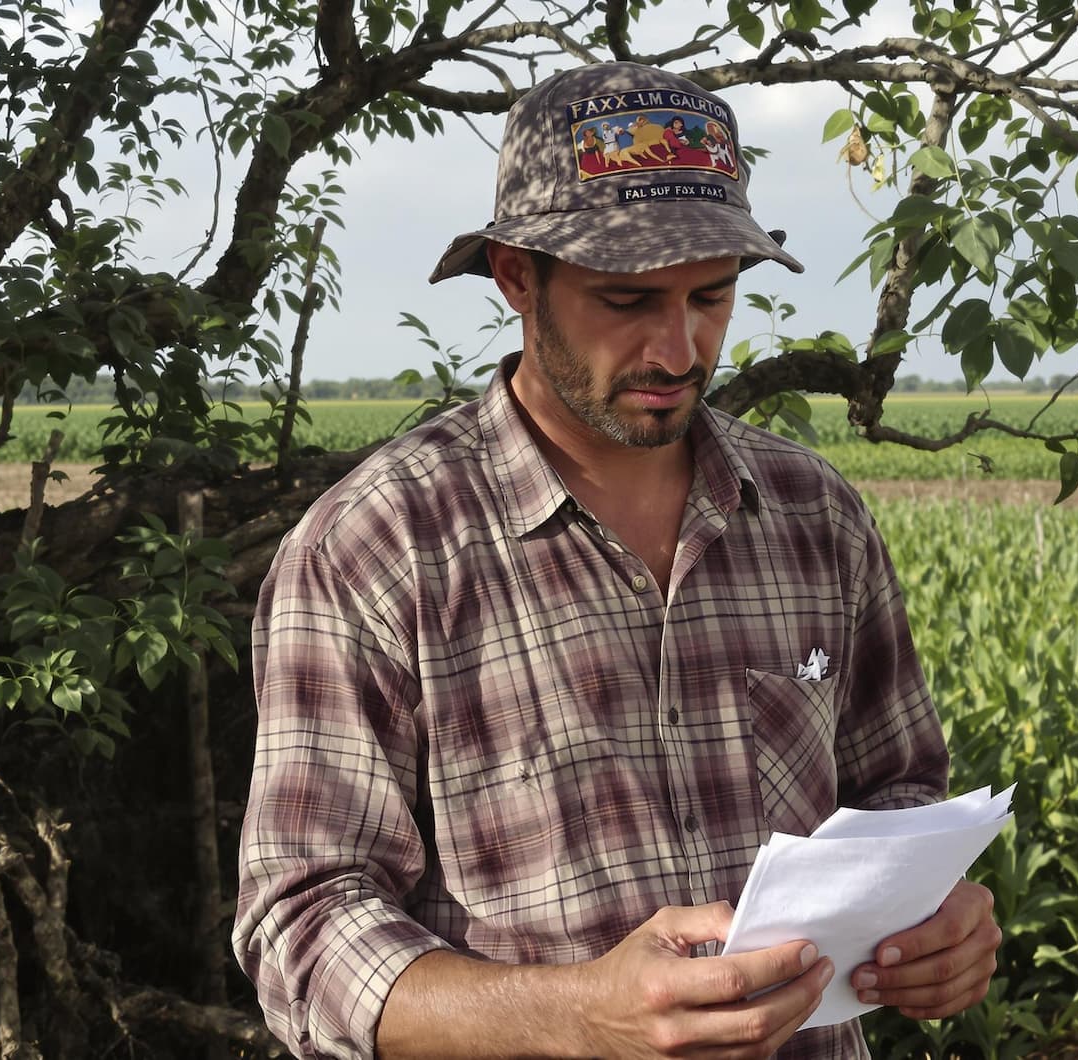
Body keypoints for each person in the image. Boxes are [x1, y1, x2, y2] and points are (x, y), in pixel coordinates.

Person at [233, 61, 1000, 1060]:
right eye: (628, 300)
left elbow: (897, 789)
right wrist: (575, 1014)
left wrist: (937, 924)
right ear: (516, 276)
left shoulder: (815, 516)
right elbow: (302, 925)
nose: (679, 349)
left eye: (711, 297)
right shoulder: (377, 549)